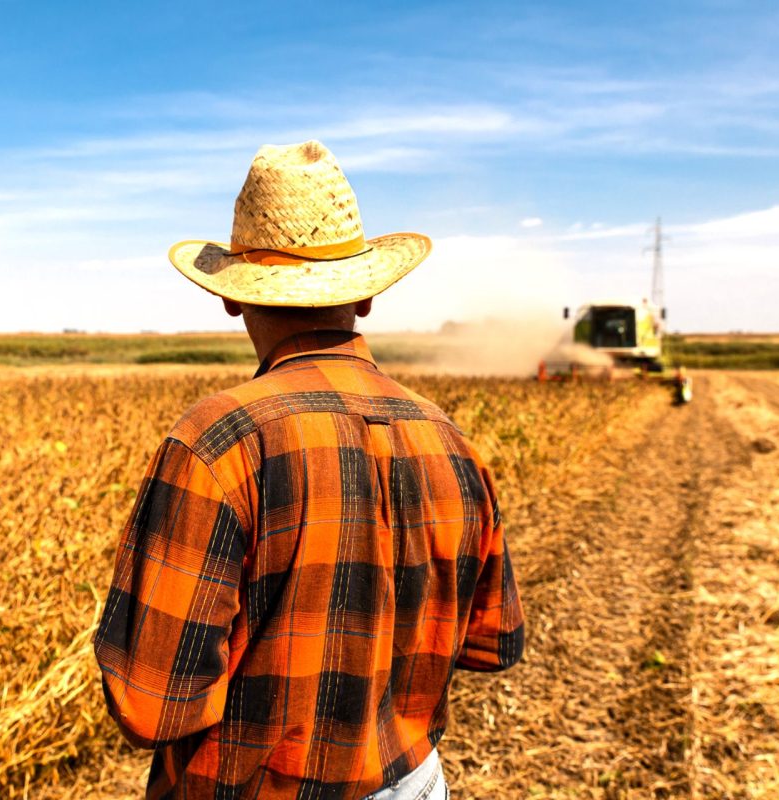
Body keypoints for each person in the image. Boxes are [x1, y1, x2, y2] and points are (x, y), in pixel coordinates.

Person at [94, 140, 524, 799]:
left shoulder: (219, 443)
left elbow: (151, 703)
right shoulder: (452, 442)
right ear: (367, 297)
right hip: (412, 780)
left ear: (232, 300)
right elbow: (495, 643)